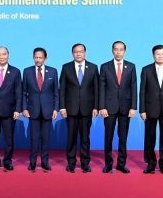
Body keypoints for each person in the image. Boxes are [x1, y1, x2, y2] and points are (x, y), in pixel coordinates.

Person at [59, 43, 99, 173]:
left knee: (85, 138)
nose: (78, 54)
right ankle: (71, 163)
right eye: (76, 52)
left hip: (87, 109)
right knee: (71, 137)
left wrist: (96, 107)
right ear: (72, 54)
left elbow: (97, 89)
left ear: (85, 53)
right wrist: (62, 107)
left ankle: (85, 163)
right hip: (70, 109)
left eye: (81, 51)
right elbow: (62, 89)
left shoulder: (93, 67)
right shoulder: (66, 67)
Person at [99, 41, 137, 174]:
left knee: (123, 137)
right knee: (108, 136)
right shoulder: (105, 67)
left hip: (126, 108)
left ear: (125, 51)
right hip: (108, 108)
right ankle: (108, 164)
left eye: (121, 50)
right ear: (112, 51)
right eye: (116, 49)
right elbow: (101, 88)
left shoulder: (131, 67)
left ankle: (121, 164)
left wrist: (133, 107)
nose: (118, 52)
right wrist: (102, 106)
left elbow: (133, 87)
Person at [22, 47, 59, 172]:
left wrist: (56, 109)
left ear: (45, 58)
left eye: (40, 57)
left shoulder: (53, 72)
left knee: (46, 138)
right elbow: (24, 92)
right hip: (33, 110)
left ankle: (44, 162)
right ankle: (32, 162)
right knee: (34, 138)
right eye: (36, 57)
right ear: (33, 58)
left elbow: (56, 93)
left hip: (48, 110)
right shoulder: (27, 72)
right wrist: (24, 108)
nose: (38, 60)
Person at [139, 44, 163, 174]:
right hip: (150, 109)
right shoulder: (146, 70)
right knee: (150, 137)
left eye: (162, 54)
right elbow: (142, 91)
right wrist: (142, 110)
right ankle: (151, 164)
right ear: (153, 55)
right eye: (158, 54)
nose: (160, 56)